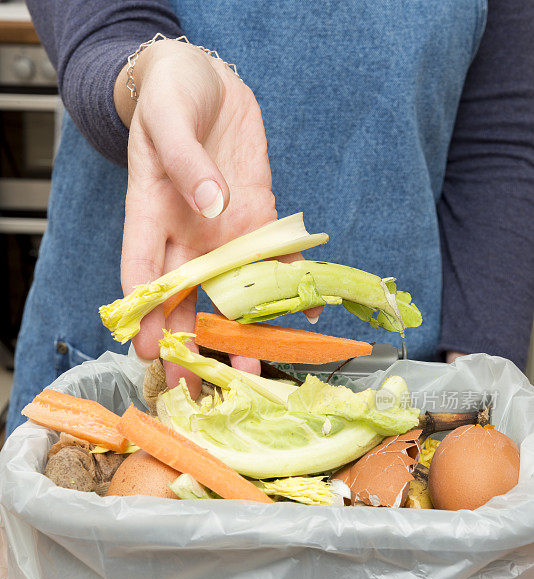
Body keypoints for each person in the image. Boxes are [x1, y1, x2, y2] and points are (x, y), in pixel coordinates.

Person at [6, 0, 534, 435]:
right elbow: (102, 25)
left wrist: (472, 402)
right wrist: (148, 73)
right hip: (128, 374)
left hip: (393, 397)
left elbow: (501, 138)